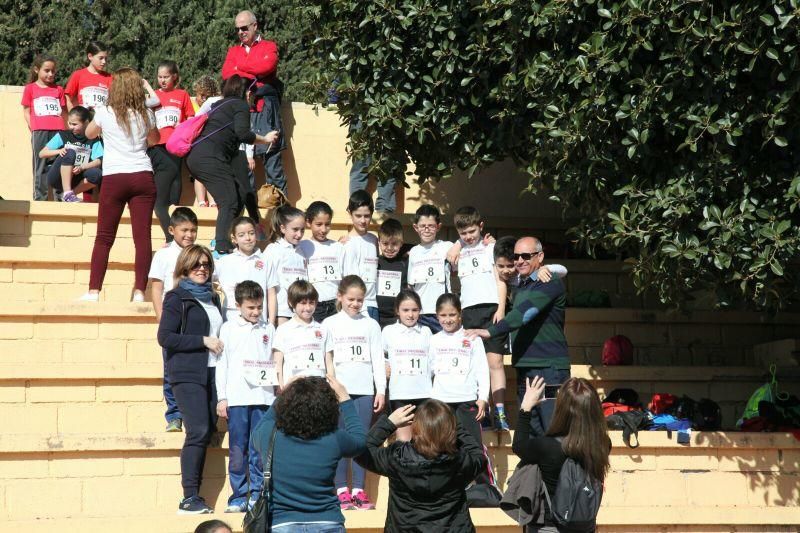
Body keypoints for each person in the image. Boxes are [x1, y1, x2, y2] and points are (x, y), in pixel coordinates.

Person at [467, 236, 569, 431]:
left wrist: (490, 332)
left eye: (525, 256)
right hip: (525, 368)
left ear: (540, 257)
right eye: (516, 257)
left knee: (554, 428)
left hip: (550, 369)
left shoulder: (549, 281)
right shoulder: (522, 284)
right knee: (530, 430)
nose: (519, 261)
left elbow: (525, 314)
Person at [80, 67, 159, 303]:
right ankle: (139, 292)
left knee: (104, 237)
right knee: (142, 237)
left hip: (115, 177)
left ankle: (94, 291)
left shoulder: (105, 111)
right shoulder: (146, 113)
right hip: (142, 175)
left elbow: (89, 133)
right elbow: (154, 140)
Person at [157, 245, 225, 514]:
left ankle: (196, 495)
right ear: (185, 267)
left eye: (206, 264)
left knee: (208, 431)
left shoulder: (213, 298)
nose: (202, 269)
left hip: (212, 373)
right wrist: (203, 341)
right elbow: (165, 337)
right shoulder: (177, 297)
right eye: (196, 264)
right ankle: (189, 497)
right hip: (187, 373)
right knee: (197, 430)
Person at [251, 375, 366, 532]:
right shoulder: (334, 437)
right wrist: (345, 399)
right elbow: (360, 441)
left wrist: (284, 394)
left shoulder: (268, 433)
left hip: (282, 523)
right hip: (327, 522)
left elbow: (259, 427)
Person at [354, 400, 487, 532]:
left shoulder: (396, 457)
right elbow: (478, 455)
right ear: (450, 430)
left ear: (416, 428)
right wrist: (452, 424)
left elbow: (360, 452)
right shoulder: (459, 461)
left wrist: (389, 423)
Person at [185, 74, 278, 255]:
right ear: (247, 92)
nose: (253, 98)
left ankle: (225, 239)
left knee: (234, 196)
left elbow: (245, 188)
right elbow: (244, 134)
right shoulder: (239, 105)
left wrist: (254, 217)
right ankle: (221, 246)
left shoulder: (219, 106)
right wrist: (265, 139)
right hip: (209, 158)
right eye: (252, 93)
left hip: (197, 157)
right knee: (229, 200)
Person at [513, 376, 611, 533]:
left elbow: (518, 446)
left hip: (548, 527)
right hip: (585, 526)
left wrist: (525, 408)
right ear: (594, 410)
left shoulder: (546, 446)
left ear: (562, 409)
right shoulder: (603, 444)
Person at [322, 275, 386, 511]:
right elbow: (326, 357)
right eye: (350, 299)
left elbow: (378, 359)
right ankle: (341, 490)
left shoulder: (370, 324)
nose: (355, 304)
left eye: (360, 300)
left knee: (362, 442)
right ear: (340, 296)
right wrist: (330, 385)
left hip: (364, 391)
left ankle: (358, 490)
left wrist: (381, 390)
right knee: (339, 440)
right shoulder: (329, 323)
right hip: (339, 391)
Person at [215, 281, 276, 513]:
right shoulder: (228, 329)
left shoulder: (268, 328)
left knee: (258, 448)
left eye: (259, 307)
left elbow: (274, 360)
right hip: (238, 398)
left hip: (263, 398)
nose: (256, 312)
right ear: (237, 305)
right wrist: (222, 397)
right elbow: (223, 365)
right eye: (250, 307)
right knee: (237, 448)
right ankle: (238, 495)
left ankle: (258, 494)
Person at [430, 293, 494, 489]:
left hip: (467, 400)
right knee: (443, 446)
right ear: (437, 316)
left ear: (460, 315)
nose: (448, 320)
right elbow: (427, 371)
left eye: (452, 315)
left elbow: (482, 369)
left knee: (473, 446)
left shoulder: (473, 340)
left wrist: (482, 397)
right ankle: (448, 486)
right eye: (443, 315)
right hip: (441, 402)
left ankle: (485, 488)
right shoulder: (433, 340)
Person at [221, 10, 287, 195]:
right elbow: (227, 74)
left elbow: (267, 66)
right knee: (243, 167)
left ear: (255, 26)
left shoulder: (268, 46)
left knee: (273, 165)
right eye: (238, 29)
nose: (241, 32)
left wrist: (240, 67)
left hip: (266, 111)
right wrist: (254, 71)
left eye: (244, 28)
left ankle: (281, 217)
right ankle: (248, 220)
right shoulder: (233, 50)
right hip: (242, 113)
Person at [149, 207, 199, 432]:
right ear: (172, 230)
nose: (189, 235)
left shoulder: (198, 253)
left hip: (195, 315)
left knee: (196, 367)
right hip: (172, 316)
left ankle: (194, 412)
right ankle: (174, 414)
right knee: (171, 368)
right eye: (184, 230)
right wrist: (162, 320)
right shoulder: (163, 254)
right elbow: (157, 289)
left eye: (193, 230)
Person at [150, 60, 195, 241]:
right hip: (157, 146)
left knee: (176, 177)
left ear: (174, 77)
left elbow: (191, 117)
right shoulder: (153, 96)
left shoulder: (182, 94)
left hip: (176, 145)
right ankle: (170, 233)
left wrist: (181, 125)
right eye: (160, 77)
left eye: (166, 77)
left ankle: (174, 207)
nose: (162, 80)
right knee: (162, 183)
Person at [382, 288, 432, 441]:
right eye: (405, 310)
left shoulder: (426, 331)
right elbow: (380, 355)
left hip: (424, 393)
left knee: (424, 438)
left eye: (415, 310)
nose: (410, 315)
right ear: (397, 310)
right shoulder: (389, 331)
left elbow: (433, 359)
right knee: (404, 439)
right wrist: (385, 364)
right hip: (401, 393)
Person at [22, 53, 66, 201]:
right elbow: (26, 111)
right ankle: (40, 198)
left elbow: (64, 112)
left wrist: (64, 130)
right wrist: (33, 126)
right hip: (39, 130)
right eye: (46, 70)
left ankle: (61, 197)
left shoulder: (59, 89)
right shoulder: (30, 88)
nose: (50, 74)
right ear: (36, 70)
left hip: (58, 131)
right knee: (40, 165)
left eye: (53, 71)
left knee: (59, 163)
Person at [272, 280, 332, 387]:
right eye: (303, 303)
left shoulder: (323, 329)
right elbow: (277, 363)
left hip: (319, 387)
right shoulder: (283, 330)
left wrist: (332, 386)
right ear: (291, 303)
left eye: (312, 303)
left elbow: (329, 363)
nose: (308, 308)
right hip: (293, 388)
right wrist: (281, 387)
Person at [39, 106, 103, 203]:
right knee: (70, 152)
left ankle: (69, 195)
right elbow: (42, 153)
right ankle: (67, 192)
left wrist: (82, 167)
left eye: (75, 124)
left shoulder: (93, 139)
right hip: (57, 177)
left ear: (86, 122)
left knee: (97, 174)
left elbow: (98, 160)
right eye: (69, 123)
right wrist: (59, 151)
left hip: (77, 177)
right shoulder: (63, 135)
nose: (71, 126)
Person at [408, 205, 453, 333]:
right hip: (420, 313)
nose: (426, 230)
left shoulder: (447, 247)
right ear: (416, 227)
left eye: (431, 226)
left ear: (438, 226)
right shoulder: (414, 252)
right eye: (423, 226)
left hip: (442, 312)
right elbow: (410, 286)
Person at [215, 216, 269, 322]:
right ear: (234, 238)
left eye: (251, 233)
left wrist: (271, 320)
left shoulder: (266, 260)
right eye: (241, 235)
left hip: (259, 319)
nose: (248, 238)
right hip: (232, 317)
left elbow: (271, 292)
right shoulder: (224, 262)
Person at [298, 201, 345, 323]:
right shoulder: (302, 247)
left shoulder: (338, 247)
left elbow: (345, 277)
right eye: (318, 224)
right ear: (308, 222)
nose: (323, 229)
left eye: (327, 224)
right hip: (314, 305)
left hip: (336, 305)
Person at [263, 205, 308, 326]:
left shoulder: (301, 251)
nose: (299, 234)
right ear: (282, 228)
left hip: (300, 312)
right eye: (295, 229)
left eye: (302, 230)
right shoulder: (273, 250)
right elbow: (266, 283)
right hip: (281, 313)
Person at [342, 189, 380, 320]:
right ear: (350, 213)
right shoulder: (344, 244)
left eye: (367, 216)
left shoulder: (375, 240)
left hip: (372, 304)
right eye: (358, 216)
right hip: (351, 305)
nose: (363, 220)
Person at [376, 218, 410, 329]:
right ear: (379, 242)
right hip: (376, 316)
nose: (389, 248)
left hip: (398, 319)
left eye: (394, 244)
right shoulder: (375, 262)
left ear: (401, 243)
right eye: (385, 243)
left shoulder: (406, 262)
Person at [64, 41, 112, 110]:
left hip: (104, 119)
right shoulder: (78, 75)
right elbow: (67, 98)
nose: (104, 62)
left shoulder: (109, 77)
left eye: (105, 58)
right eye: (100, 58)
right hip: (85, 119)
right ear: (90, 56)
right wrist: (73, 116)